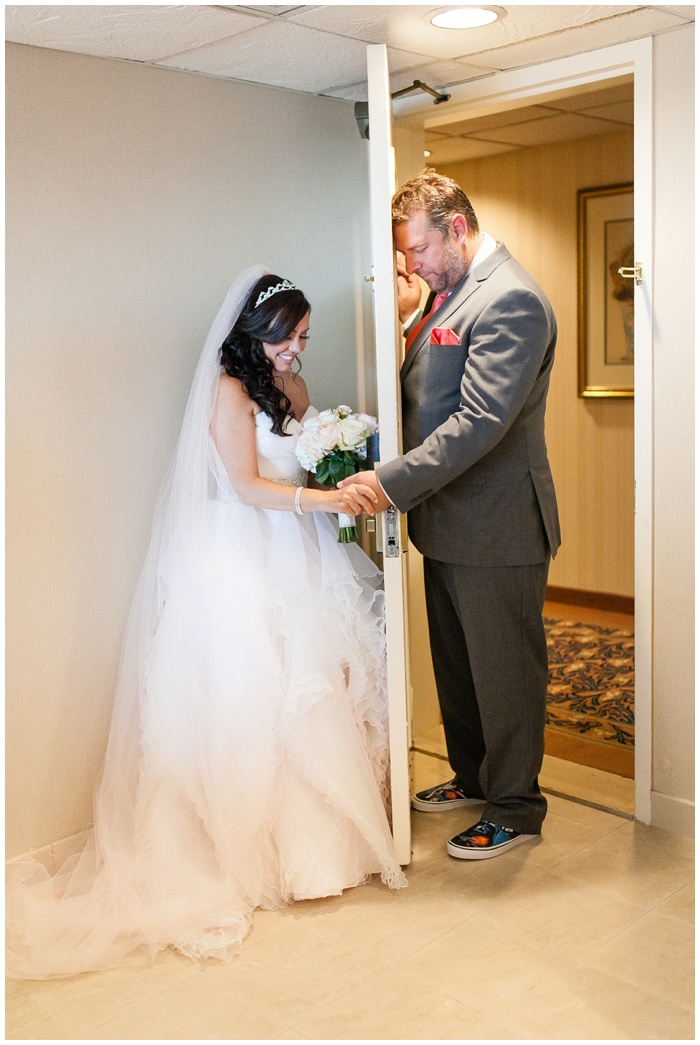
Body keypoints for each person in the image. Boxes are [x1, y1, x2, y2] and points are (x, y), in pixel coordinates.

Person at [6, 266, 406, 979]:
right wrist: (323, 505)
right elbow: (251, 487)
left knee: (310, 688)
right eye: (291, 338)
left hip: (298, 551)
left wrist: (334, 476)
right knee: (248, 693)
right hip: (238, 557)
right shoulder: (226, 391)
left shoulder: (298, 391)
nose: (299, 351)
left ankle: (315, 854)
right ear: (260, 332)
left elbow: (298, 473)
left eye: (306, 338)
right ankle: (236, 854)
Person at [340, 170, 560, 860]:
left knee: (506, 675)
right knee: (460, 668)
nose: (414, 266)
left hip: (498, 525)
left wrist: (387, 482)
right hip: (449, 523)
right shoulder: (448, 294)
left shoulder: (512, 300)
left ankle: (516, 806)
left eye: (419, 250)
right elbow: (426, 390)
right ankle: (473, 777)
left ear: (456, 228)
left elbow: (478, 422)